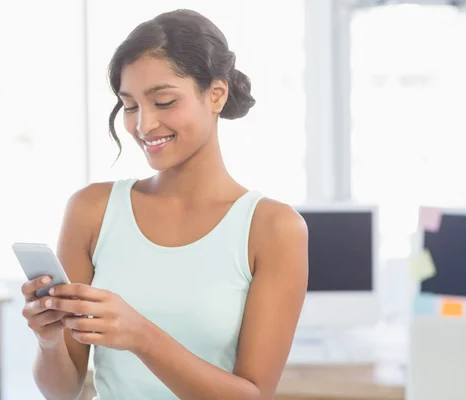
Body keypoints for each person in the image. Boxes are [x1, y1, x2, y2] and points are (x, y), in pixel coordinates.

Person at [21, 9, 308, 400]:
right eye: (130, 105)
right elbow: (62, 390)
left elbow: (252, 395)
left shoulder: (272, 228)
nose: (144, 125)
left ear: (216, 95)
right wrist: (50, 342)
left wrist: (141, 336)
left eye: (164, 101)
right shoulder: (92, 211)